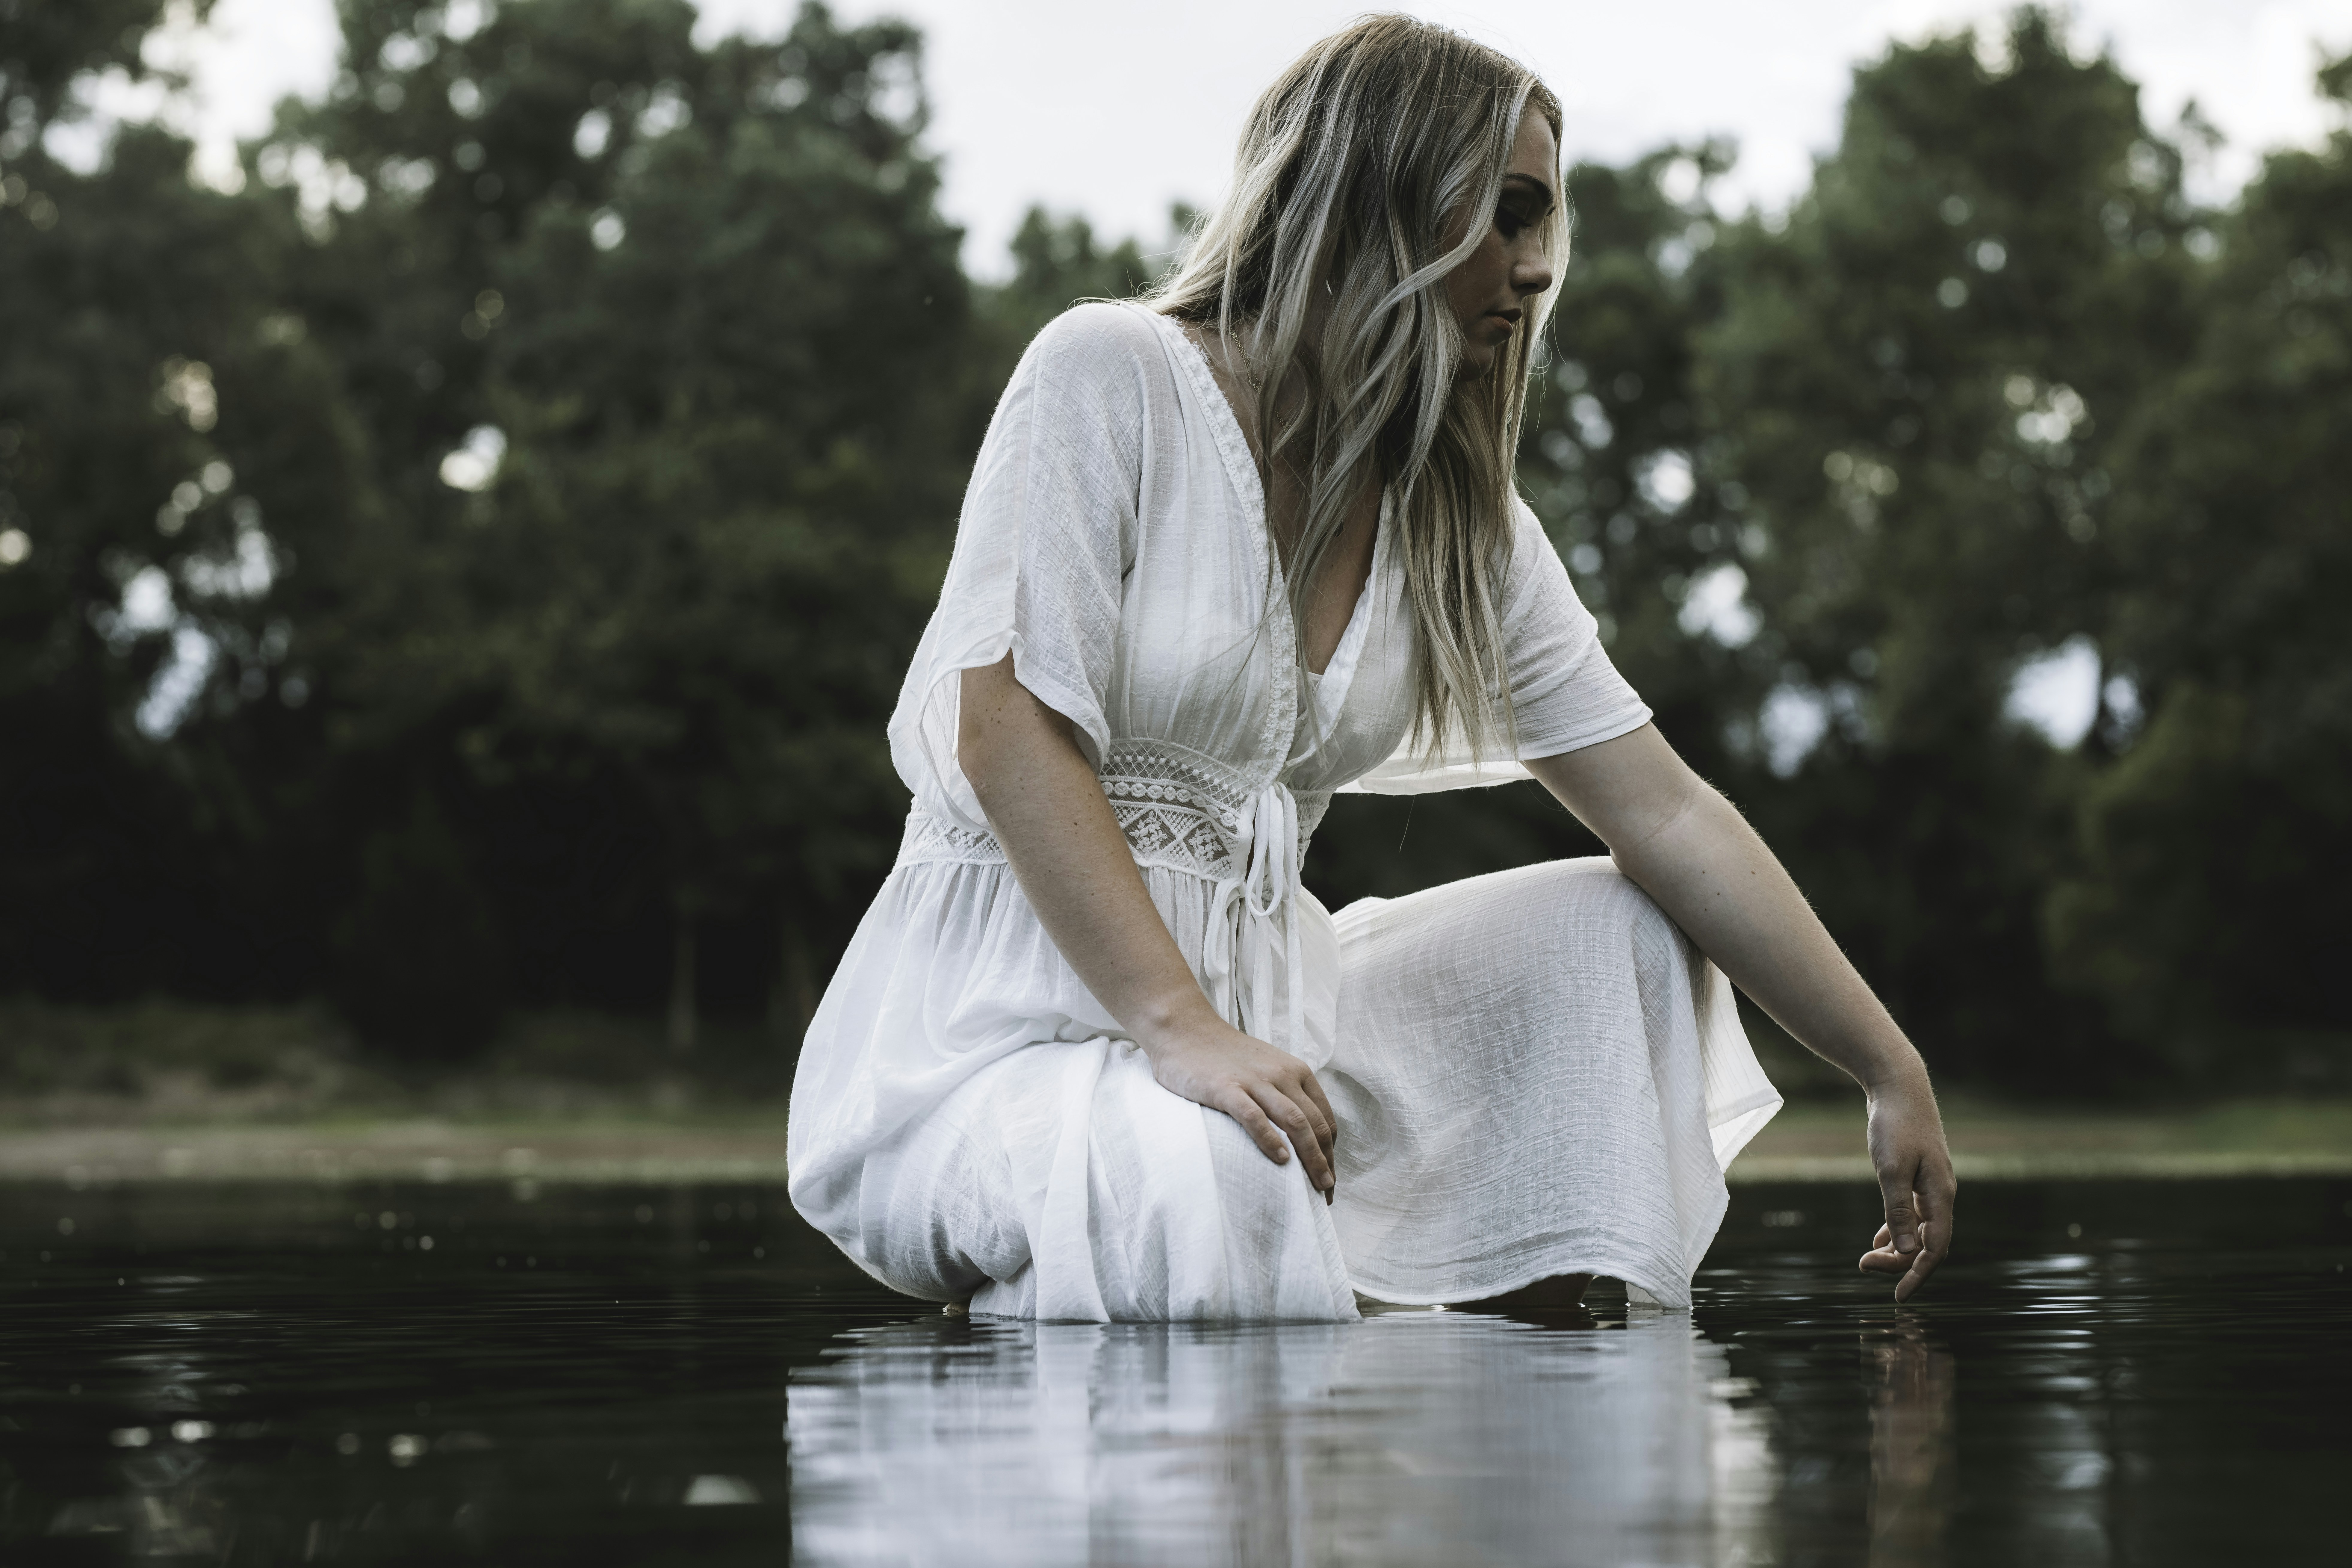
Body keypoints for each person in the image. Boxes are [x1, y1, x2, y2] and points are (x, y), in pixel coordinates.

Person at [787, 15, 1956, 1321]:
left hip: (1266, 1044)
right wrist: (1177, 1028)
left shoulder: (1456, 524)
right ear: (1374, 197)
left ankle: (1509, 1395)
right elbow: (1003, 731)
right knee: (1214, 1174)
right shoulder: (1105, 374)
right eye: (1505, 216)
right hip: (991, 1043)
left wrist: (1883, 1065)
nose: (1530, 272)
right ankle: (1100, 1291)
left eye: (1540, 228)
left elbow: (1665, 811)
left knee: (1622, 931)